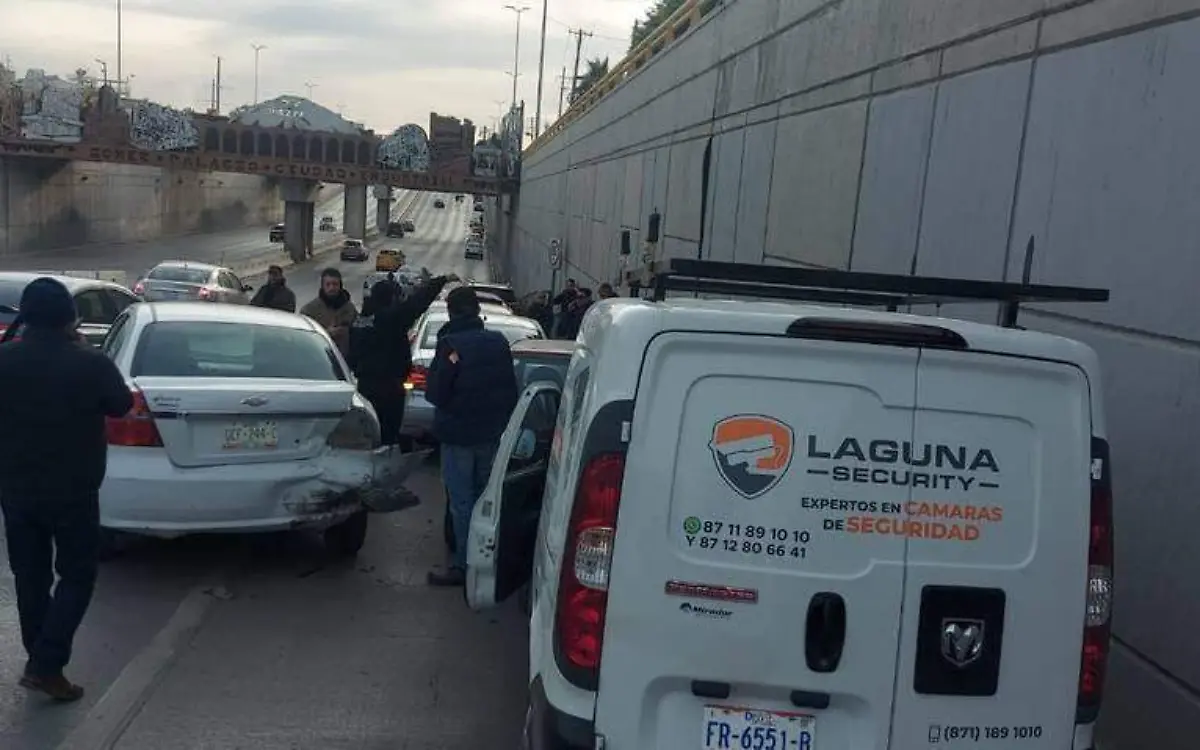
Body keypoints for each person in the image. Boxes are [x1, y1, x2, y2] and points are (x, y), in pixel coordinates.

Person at [0, 278, 133, 702]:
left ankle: (42, 663)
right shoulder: (89, 362)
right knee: (77, 574)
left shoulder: (5, 359)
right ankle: (46, 664)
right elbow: (121, 405)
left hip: (16, 488)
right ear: (69, 318)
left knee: (30, 577)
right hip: (74, 490)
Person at [424, 286, 520, 587]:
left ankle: (464, 566)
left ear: (451, 312)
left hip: (458, 436)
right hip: (490, 434)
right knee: (483, 498)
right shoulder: (498, 342)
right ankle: (486, 562)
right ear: (477, 310)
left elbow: (436, 393)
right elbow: (510, 390)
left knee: (461, 502)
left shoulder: (450, 344)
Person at [347, 272, 454, 445]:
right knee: (387, 433)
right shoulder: (390, 319)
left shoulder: (360, 321)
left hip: (366, 386)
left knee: (369, 431)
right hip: (389, 387)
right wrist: (440, 281)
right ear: (391, 299)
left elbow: (351, 357)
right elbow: (416, 304)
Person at [300, 267, 357, 356]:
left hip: (345, 357)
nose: (332, 288)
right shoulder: (309, 310)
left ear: (340, 285)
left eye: (335, 284)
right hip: (320, 355)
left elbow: (356, 330)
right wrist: (326, 333)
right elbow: (303, 337)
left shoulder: (349, 308)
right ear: (323, 286)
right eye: (328, 284)